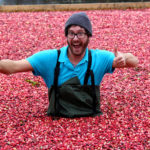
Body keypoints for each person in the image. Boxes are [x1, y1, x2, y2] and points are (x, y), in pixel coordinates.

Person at [0, 12, 138, 118]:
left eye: (80, 34)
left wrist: (124, 57)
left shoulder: (99, 58)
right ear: (66, 36)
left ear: (89, 36)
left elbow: (134, 61)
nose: (75, 39)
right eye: (71, 34)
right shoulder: (50, 58)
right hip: (55, 128)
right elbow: (12, 67)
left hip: (91, 125)